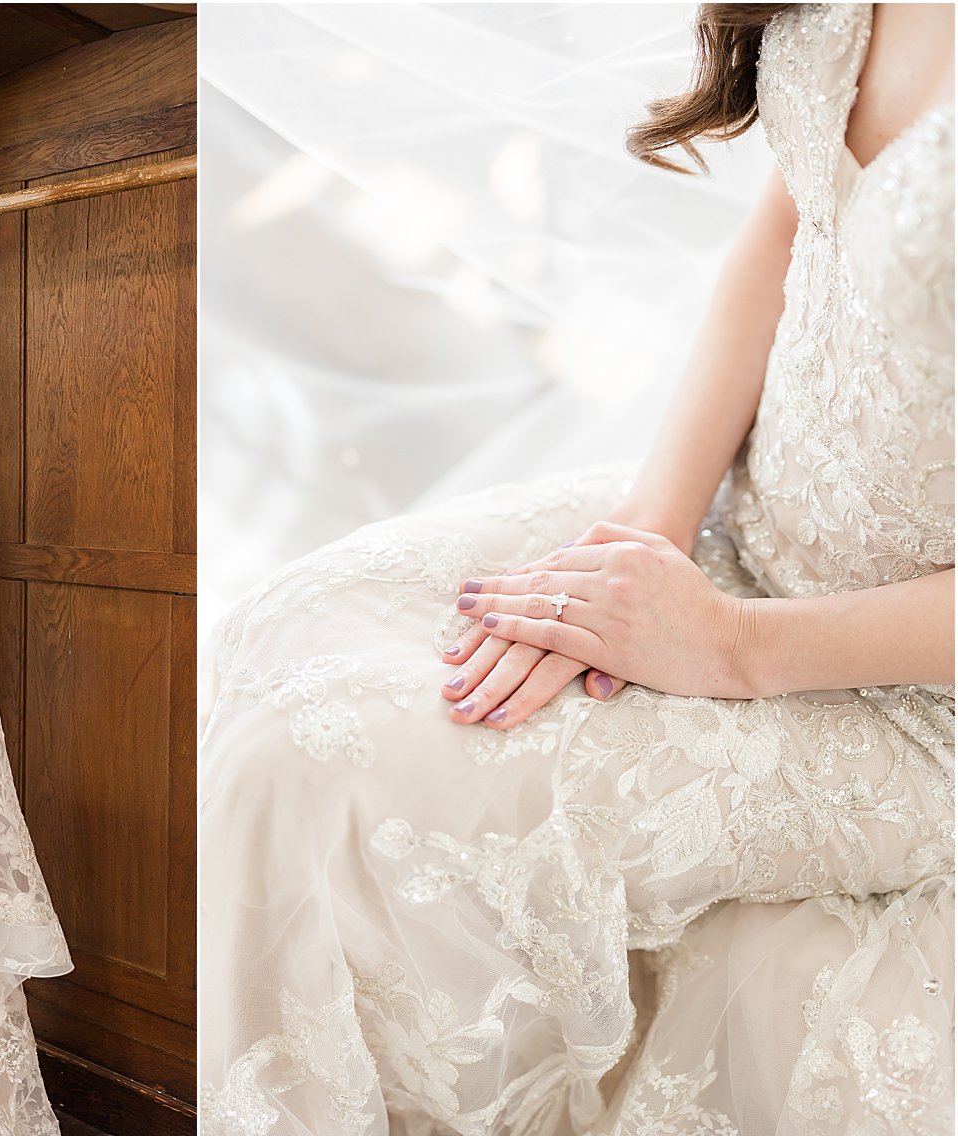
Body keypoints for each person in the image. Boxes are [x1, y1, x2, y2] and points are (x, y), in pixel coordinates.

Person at [199, 3, 953, 1133]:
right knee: (279, 638)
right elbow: (787, 228)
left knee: (331, 769)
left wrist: (730, 646)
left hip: (902, 690)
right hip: (726, 526)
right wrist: (647, 531)